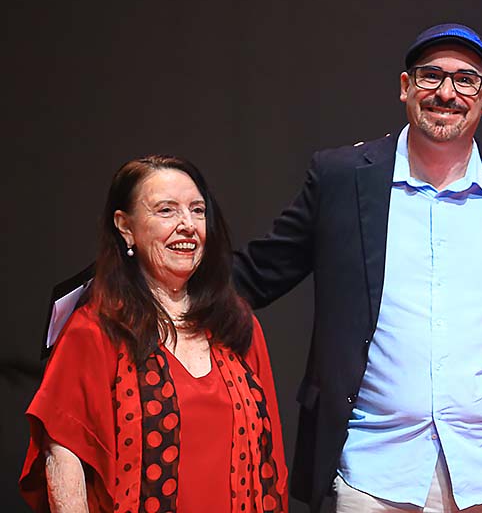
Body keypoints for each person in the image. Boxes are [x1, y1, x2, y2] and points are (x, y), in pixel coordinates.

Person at [234, 24, 482, 512]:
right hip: (375, 472)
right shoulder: (343, 179)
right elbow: (257, 274)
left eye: (466, 80)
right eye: (431, 76)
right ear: (406, 86)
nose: (446, 93)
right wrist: (144, 293)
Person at [19, 155, 287, 512]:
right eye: (166, 211)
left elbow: (272, 460)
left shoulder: (237, 325)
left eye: (197, 210)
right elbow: (63, 455)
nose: (188, 225)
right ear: (125, 227)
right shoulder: (96, 329)